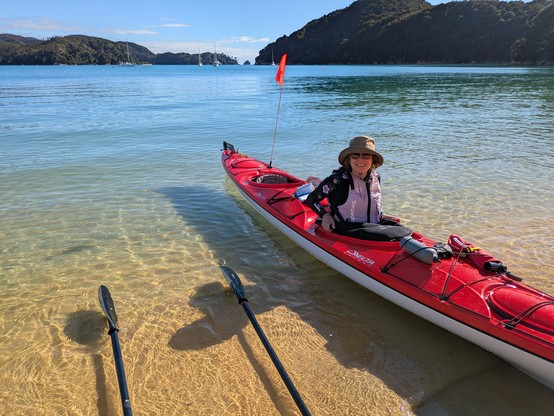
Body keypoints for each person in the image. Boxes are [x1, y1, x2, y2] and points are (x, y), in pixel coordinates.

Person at [305, 136, 411, 241]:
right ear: (349, 159)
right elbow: (311, 199)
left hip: (372, 225)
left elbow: (371, 201)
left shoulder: (376, 177)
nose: (360, 159)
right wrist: (325, 216)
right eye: (355, 155)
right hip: (347, 228)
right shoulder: (337, 180)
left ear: (372, 159)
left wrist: (381, 215)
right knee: (398, 233)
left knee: (402, 229)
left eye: (366, 155)